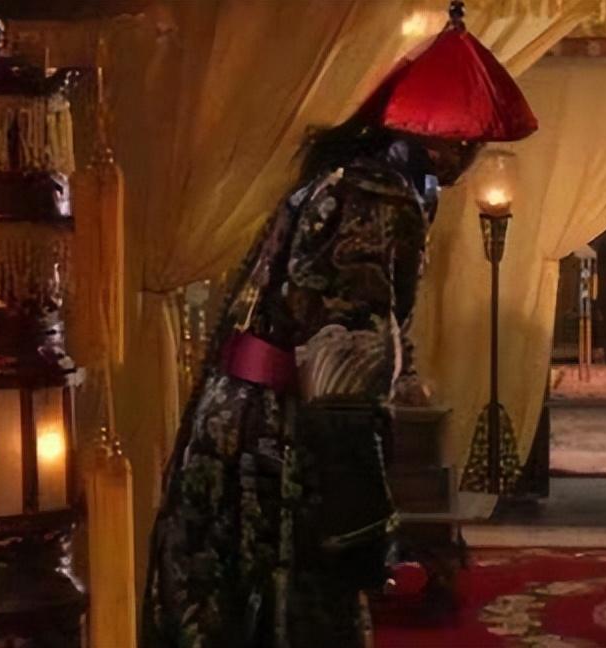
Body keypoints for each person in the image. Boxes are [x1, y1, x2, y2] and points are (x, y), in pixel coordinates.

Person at [141, 7, 537, 647]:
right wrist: (362, 513)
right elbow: (341, 359)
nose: (470, 154)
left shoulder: (351, 178)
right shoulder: (374, 197)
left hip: (248, 413)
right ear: (436, 136)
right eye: (465, 139)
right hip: (281, 431)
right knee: (284, 614)